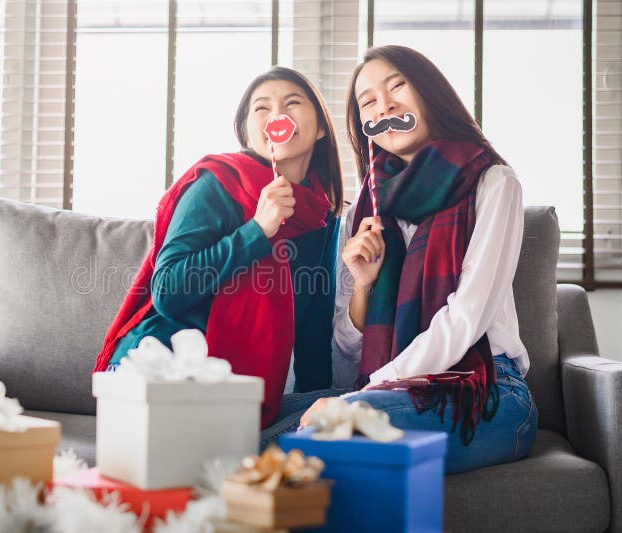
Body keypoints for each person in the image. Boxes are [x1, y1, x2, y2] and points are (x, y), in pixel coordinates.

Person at [300, 45, 538, 474]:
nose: (384, 105)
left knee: (325, 433)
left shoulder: (493, 182)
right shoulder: (365, 212)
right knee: (255, 426)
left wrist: (362, 396)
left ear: (429, 93)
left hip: (486, 390)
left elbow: (465, 318)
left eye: (397, 86)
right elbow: (345, 356)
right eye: (368, 101)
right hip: (390, 389)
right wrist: (363, 285)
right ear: (365, 125)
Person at [94, 66, 346, 445]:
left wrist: (318, 417)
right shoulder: (217, 183)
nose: (277, 114)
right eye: (262, 108)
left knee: (343, 408)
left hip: (231, 390)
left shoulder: (320, 219)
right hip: (157, 367)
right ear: (247, 132)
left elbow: (312, 331)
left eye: (292, 103)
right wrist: (257, 232)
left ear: (321, 128)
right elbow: (167, 291)